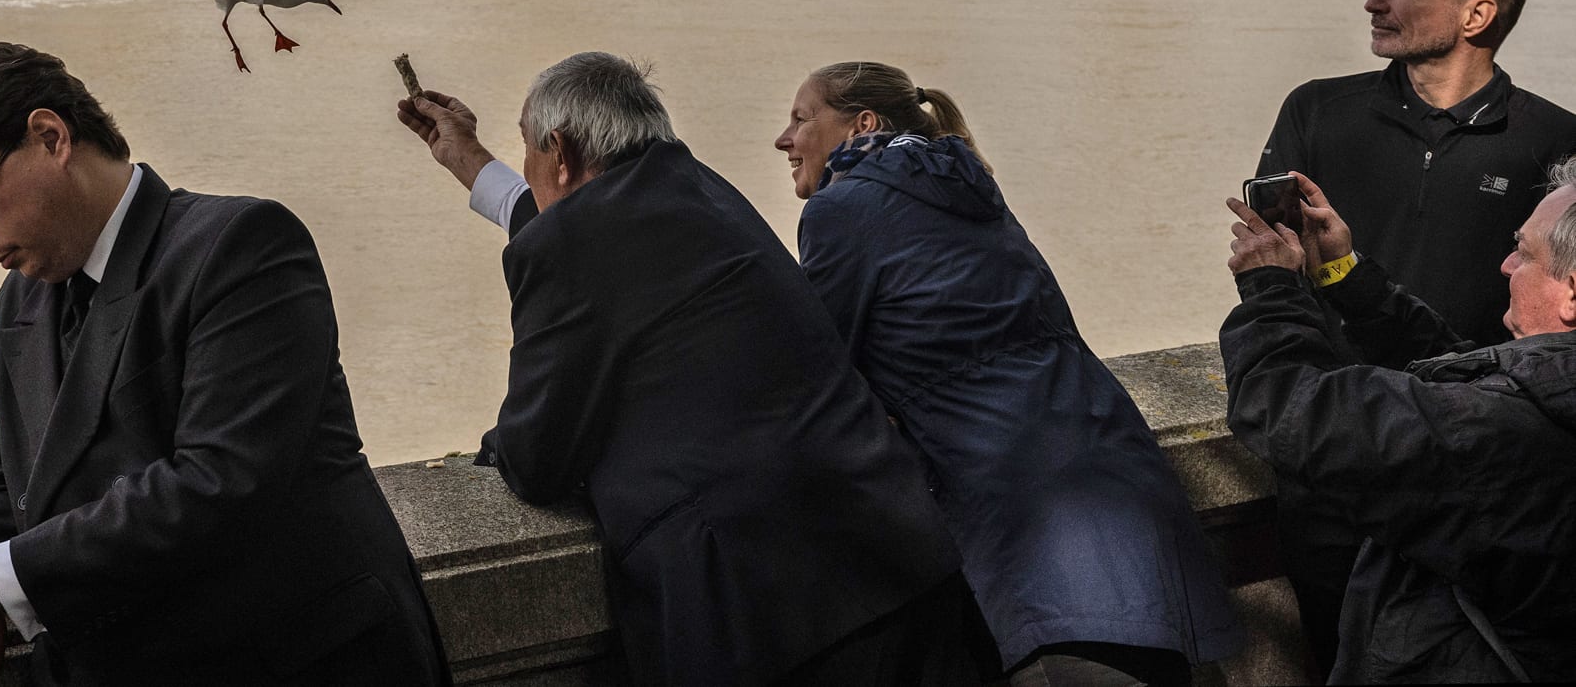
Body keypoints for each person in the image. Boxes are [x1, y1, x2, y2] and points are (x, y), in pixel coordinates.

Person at [0, 42, 445, 686]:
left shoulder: (243, 246)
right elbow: (18, 507)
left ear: (50, 137)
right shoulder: (15, 307)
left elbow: (219, 483)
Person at [403, 52, 977, 687]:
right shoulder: (702, 188)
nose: (532, 170)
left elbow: (539, 456)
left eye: (529, 151)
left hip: (765, 609)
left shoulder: (572, 243)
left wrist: (500, 446)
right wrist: (468, 159)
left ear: (558, 152)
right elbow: (570, 220)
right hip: (896, 553)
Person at [775, 62, 1241, 687]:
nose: (785, 139)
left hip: (1023, 516)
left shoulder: (843, 208)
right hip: (1121, 485)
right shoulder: (971, 191)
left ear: (863, 124)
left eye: (801, 120)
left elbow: (814, 373)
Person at [1253, 0, 1576, 668]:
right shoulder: (1317, 111)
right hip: (1337, 458)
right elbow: (1274, 256)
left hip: (1483, 472)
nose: (1374, 0)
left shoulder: (1556, 140)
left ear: (1476, 15)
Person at [1220, 162, 1576, 683]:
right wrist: (1345, 276)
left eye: (1524, 252)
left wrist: (1271, 288)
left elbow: (1288, 409)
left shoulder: (1502, 434)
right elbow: (1462, 378)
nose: (1505, 264)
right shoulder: (1539, 402)